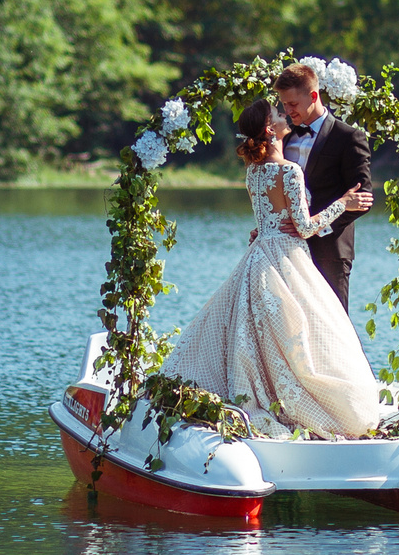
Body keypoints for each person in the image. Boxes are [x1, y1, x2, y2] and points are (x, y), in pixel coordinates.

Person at [161, 98, 386, 439]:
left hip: (258, 256)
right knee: (302, 333)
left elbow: (270, 219)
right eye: (278, 114)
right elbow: (305, 228)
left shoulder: (254, 172)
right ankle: (303, 405)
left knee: (264, 334)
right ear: (270, 129)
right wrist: (345, 203)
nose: (285, 115)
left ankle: (264, 396)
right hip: (286, 258)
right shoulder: (288, 170)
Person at [271, 62, 372, 312]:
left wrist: (315, 228)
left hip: (331, 251)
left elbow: (363, 199)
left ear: (313, 96)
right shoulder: (287, 137)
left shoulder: (348, 137)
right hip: (288, 250)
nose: (287, 110)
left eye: (292, 104)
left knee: (334, 330)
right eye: (284, 104)